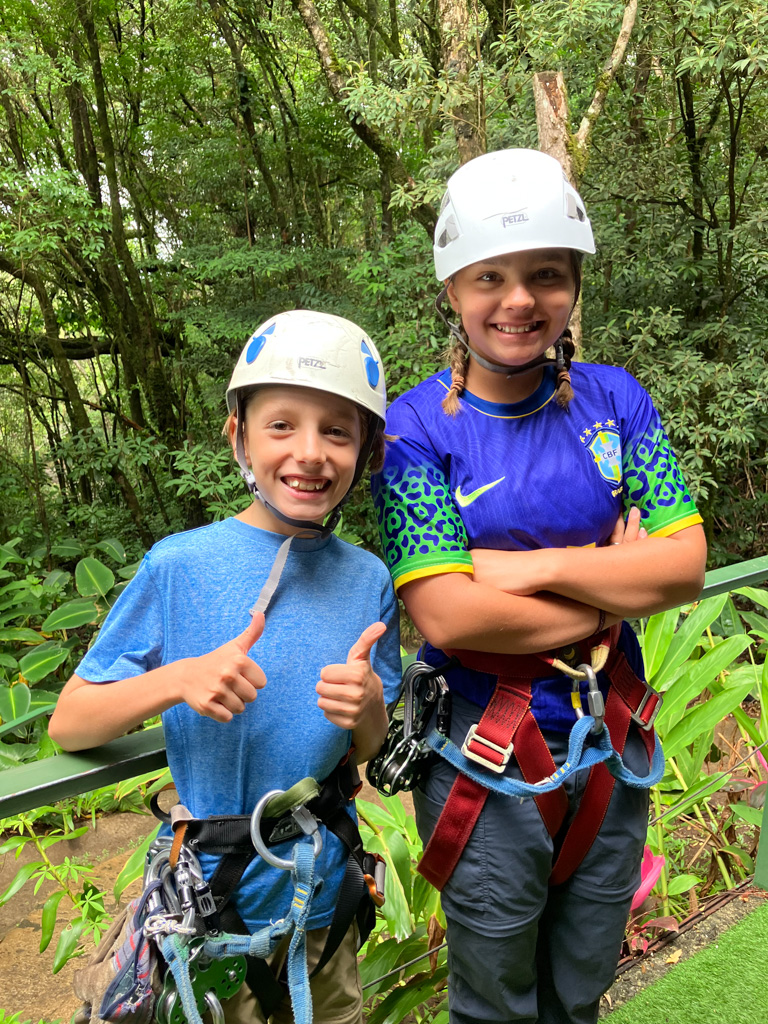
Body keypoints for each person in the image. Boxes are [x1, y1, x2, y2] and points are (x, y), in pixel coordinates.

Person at [371, 149, 707, 1024]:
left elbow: (683, 565)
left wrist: (534, 569)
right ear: (453, 289)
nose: (519, 300)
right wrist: (614, 580)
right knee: (494, 994)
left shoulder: (616, 401)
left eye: (546, 275)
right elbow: (446, 611)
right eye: (491, 277)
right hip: (485, 748)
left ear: (573, 284)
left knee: (585, 971)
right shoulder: (415, 430)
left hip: (609, 739)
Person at [50, 310, 402, 1024]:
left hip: (321, 900)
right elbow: (70, 722)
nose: (311, 452)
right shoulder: (179, 566)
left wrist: (366, 708)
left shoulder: (368, 579)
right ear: (238, 435)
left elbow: (371, 747)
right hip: (208, 913)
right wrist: (174, 680)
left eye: (338, 431)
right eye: (282, 426)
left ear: (366, 451)